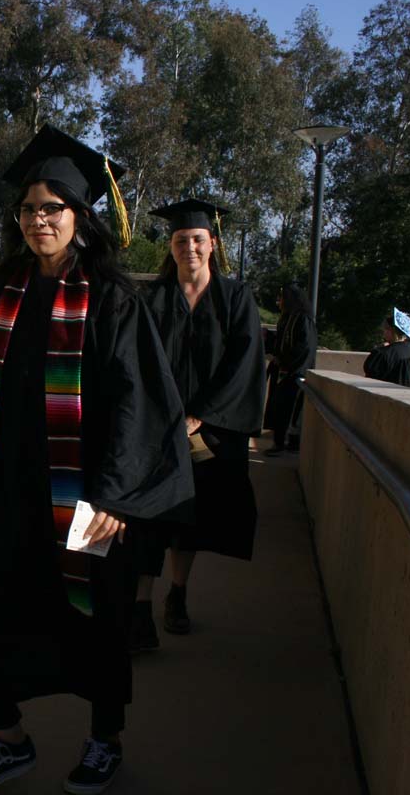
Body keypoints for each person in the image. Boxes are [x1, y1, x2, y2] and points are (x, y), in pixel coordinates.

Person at [0, 125, 192, 795]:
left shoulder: (110, 296)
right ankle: (7, 740)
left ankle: (104, 740)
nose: (39, 220)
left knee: (95, 620)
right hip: (3, 490)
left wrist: (115, 497)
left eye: (53, 208)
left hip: (84, 498)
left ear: (79, 216)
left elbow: (139, 400)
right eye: (29, 209)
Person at [129, 198, 266, 650]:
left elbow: (244, 362)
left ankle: (178, 593)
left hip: (209, 430)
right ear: (170, 248)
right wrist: (165, 415)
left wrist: (199, 414)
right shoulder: (153, 300)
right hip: (157, 427)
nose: (189, 247)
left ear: (213, 244)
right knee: (148, 516)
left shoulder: (235, 298)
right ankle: (141, 611)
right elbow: (139, 361)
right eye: (180, 240)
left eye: (197, 240)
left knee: (190, 520)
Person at [264, 283, 317, 455]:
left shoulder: (302, 319)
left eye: (282, 298)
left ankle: (286, 444)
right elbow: (282, 341)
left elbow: (305, 347)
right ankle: (280, 442)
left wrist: (285, 361)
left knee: (289, 410)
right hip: (283, 371)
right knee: (279, 408)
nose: (279, 301)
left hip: (294, 373)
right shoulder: (288, 317)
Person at [363, 308, 410, 387]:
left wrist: (381, 349)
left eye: (386, 328)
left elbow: (371, 374)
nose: (384, 331)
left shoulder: (382, 353)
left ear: (393, 331)